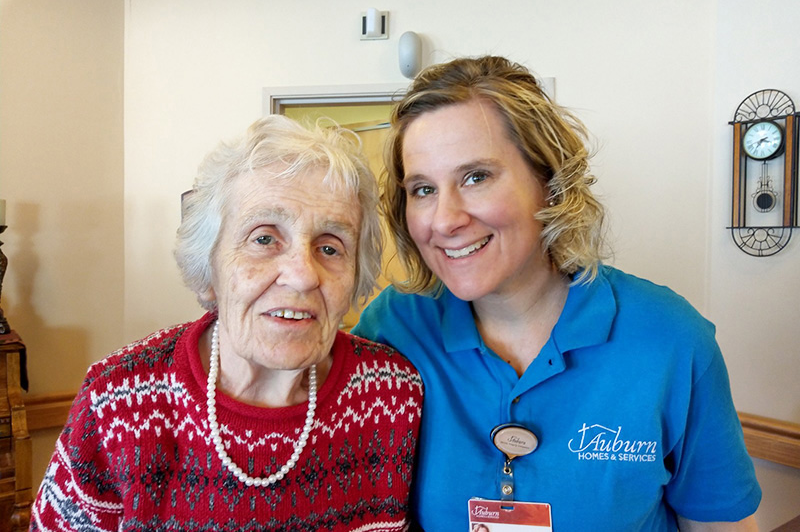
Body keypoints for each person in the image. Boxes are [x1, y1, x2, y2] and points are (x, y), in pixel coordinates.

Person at [353, 56, 761, 530]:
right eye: (422, 189)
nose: (444, 219)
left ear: (549, 182)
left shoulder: (670, 341)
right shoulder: (395, 329)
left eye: (475, 177)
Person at [30, 116, 424, 531]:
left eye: (330, 247)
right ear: (209, 267)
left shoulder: (393, 396)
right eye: (264, 238)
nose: (304, 274)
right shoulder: (120, 399)